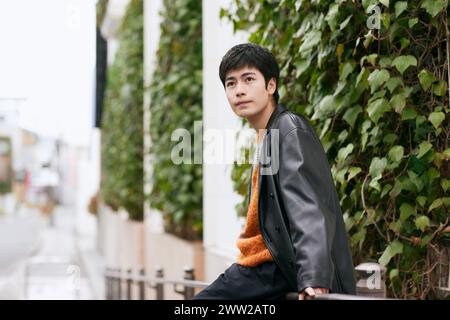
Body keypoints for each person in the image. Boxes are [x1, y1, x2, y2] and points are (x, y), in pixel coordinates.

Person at [194, 43, 356, 300]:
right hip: (261, 268)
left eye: (249, 79)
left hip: (271, 269)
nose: (239, 91)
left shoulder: (289, 129)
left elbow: (308, 207)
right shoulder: (267, 136)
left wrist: (314, 277)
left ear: (271, 86)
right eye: (231, 83)